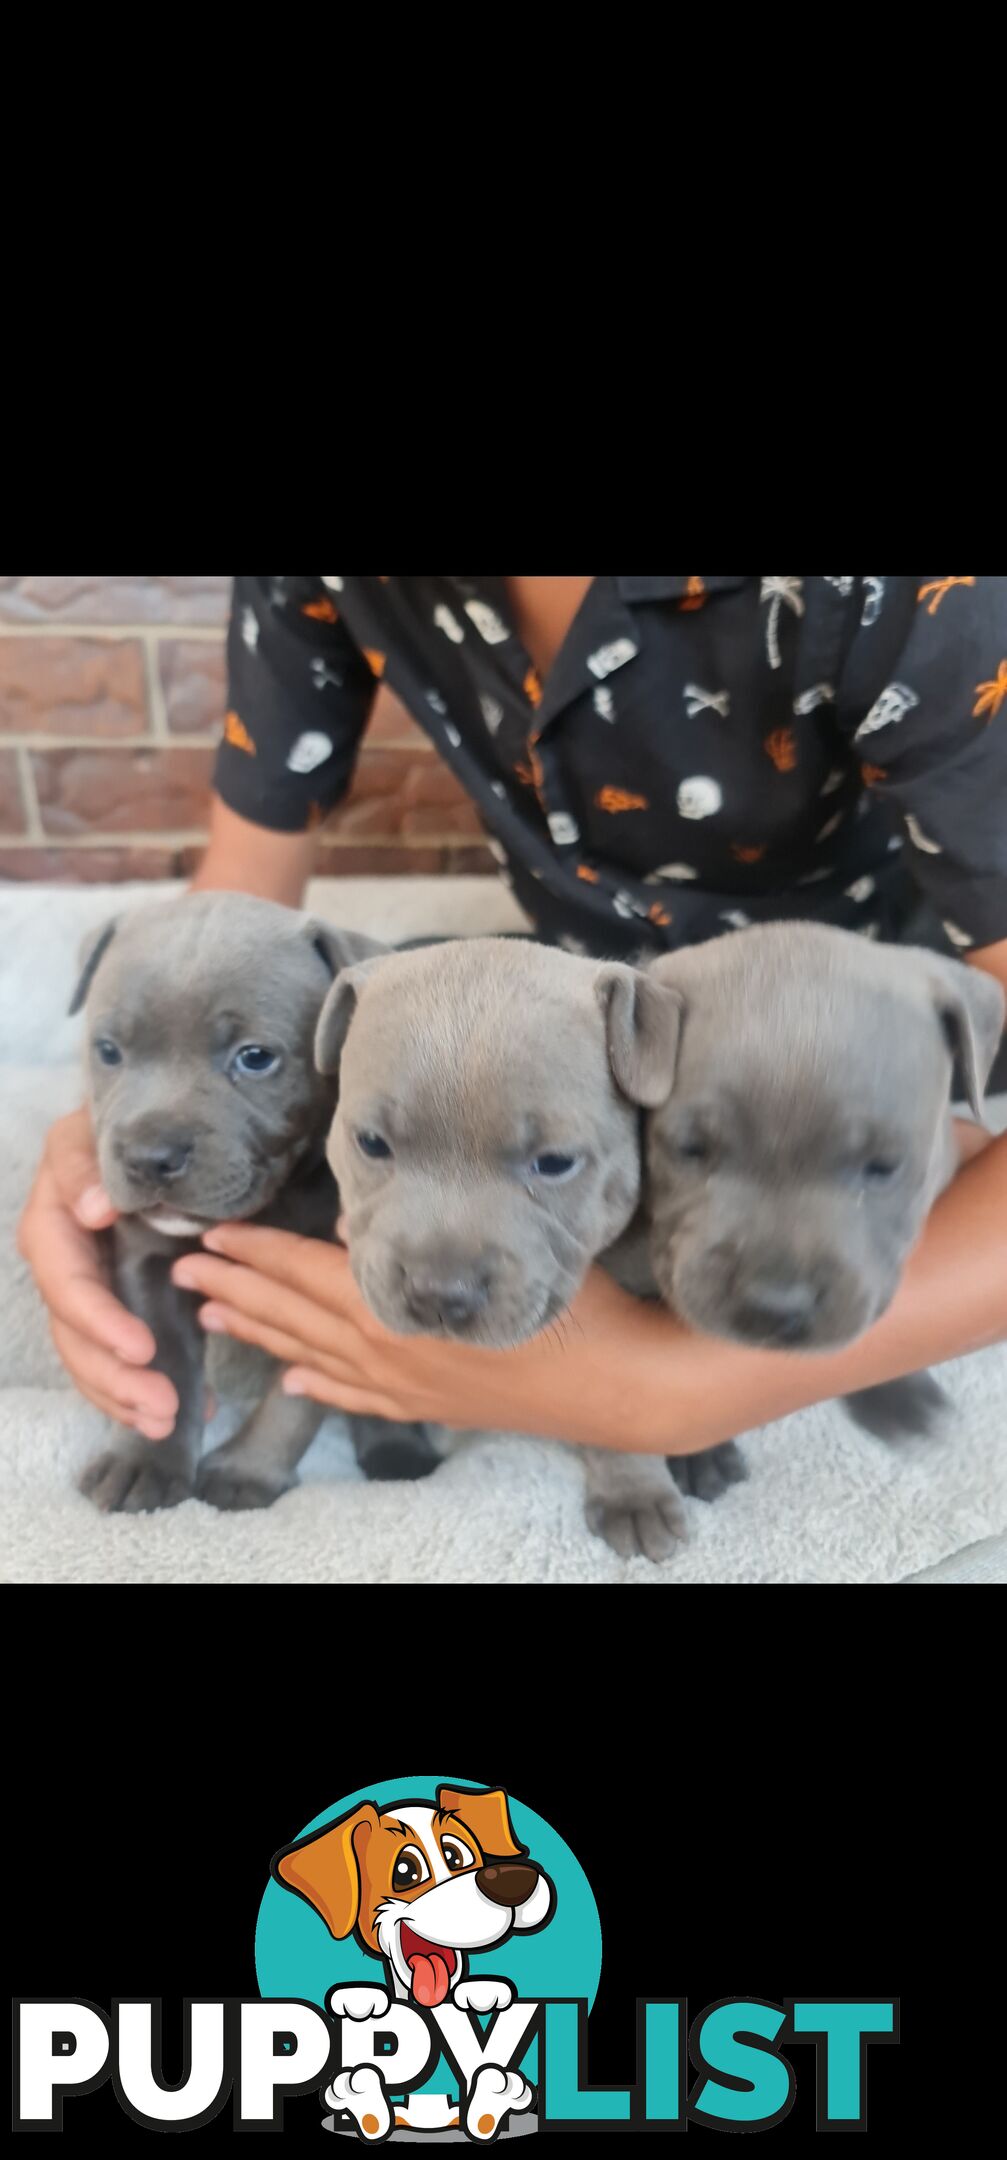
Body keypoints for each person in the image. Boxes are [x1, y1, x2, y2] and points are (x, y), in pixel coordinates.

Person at [18, 576, 1007, 1461]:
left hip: (850, 1023)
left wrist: (679, 1390)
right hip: (554, 1007)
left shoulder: (910, 595)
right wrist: (131, 1113)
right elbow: (239, 912)